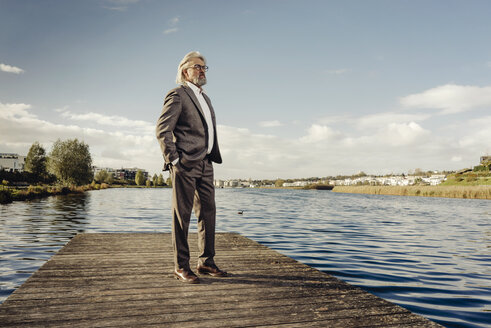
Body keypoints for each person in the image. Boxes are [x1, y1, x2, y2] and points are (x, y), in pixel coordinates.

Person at [156, 51, 226, 284]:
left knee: (208, 213)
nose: (202, 70)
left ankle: (206, 261)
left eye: (205, 67)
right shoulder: (177, 94)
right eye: (197, 66)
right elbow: (162, 130)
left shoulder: (205, 98)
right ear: (185, 70)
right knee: (182, 216)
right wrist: (174, 160)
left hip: (206, 163)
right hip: (185, 164)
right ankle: (181, 266)